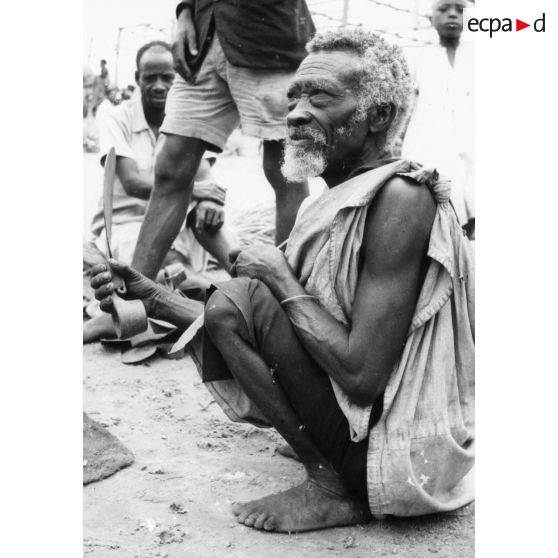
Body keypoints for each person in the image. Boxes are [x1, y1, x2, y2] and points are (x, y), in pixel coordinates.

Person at [90, 28, 474, 532]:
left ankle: (331, 483)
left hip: (399, 458)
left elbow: (361, 376)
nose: (294, 113)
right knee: (242, 296)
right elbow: (263, 325)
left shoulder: (402, 197)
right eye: (293, 97)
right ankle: (333, 468)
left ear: (378, 115)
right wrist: (153, 295)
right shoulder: (332, 200)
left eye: (319, 97)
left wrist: (276, 274)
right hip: (371, 435)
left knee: (245, 293)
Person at [129, 0, 316, 280]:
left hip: (268, 39)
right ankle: (134, 294)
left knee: (284, 170)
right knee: (171, 168)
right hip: (204, 40)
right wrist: (184, 12)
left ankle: (285, 298)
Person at [84, 40, 237, 343]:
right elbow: (133, 183)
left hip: (179, 223)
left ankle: (247, 281)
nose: (159, 85)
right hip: (128, 225)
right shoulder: (118, 116)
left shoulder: (187, 115)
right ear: (136, 77)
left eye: (168, 77)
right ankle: (208, 297)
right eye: (150, 77)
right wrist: (198, 190)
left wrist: (208, 200)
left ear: (178, 78)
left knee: (209, 217)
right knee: (150, 271)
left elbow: (204, 176)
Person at [402, 0, 475, 239]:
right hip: (431, 146)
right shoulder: (419, 58)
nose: (452, 15)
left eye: (459, 9)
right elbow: (405, 105)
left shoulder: (477, 56)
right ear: (430, 17)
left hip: (473, 145)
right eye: (443, 9)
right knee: (435, 216)